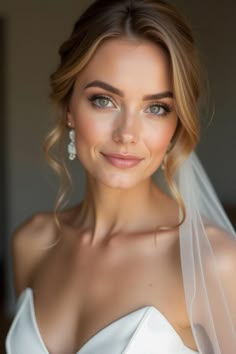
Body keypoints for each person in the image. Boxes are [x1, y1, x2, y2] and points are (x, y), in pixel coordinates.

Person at [5, 0, 236, 353]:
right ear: (69, 108)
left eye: (156, 108)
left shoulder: (215, 264)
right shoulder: (32, 244)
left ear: (176, 125)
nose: (127, 133)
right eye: (104, 100)